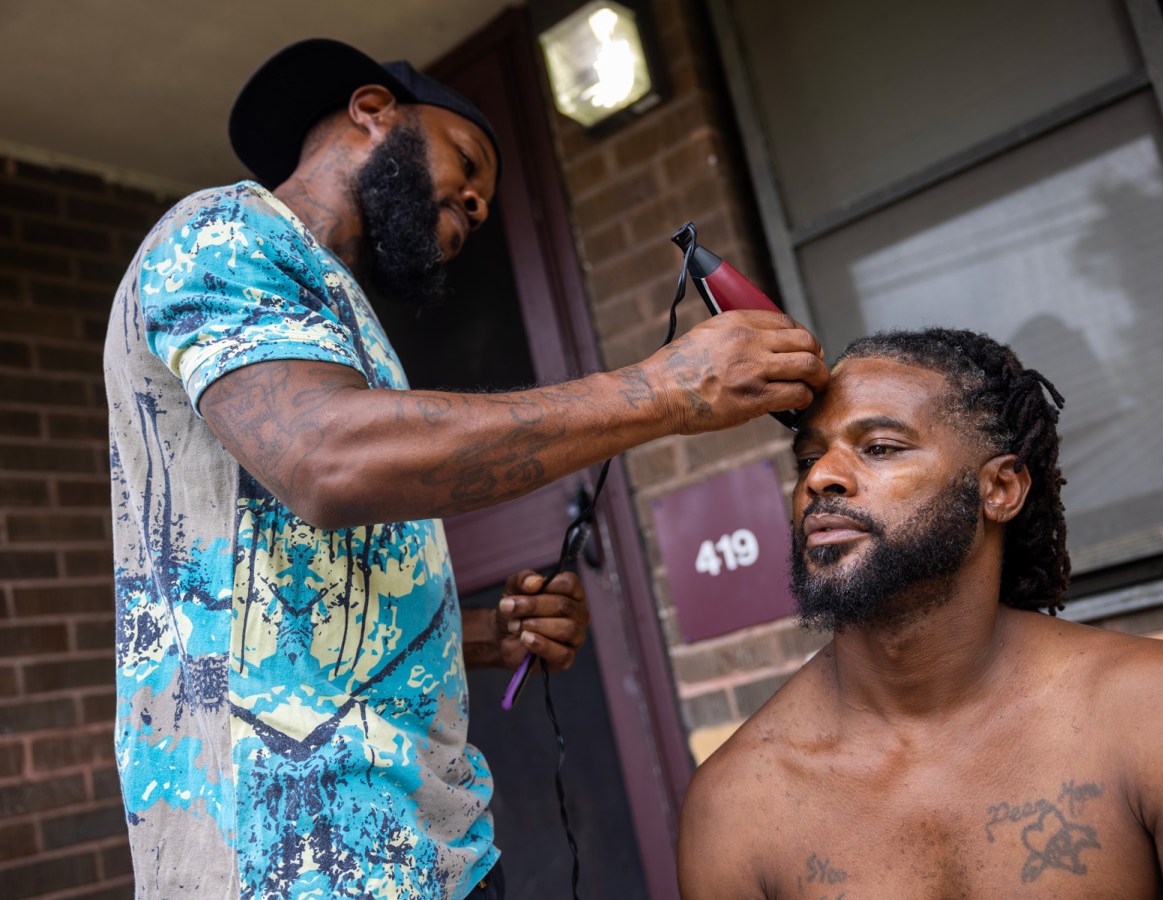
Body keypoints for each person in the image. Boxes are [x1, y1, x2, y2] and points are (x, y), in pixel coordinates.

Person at [104, 37, 828, 900]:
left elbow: (303, 586)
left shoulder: (335, 316)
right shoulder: (221, 230)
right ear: (374, 111)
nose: (479, 204)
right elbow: (326, 462)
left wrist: (489, 637)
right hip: (288, 854)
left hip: (427, 847)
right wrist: (661, 391)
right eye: (469, 161)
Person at [676, 327, 1163, 898]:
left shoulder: (1160, 711)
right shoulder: (738, 804)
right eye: (807, 459)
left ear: (1000, 488)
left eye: (880, 447)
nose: (821, 478)